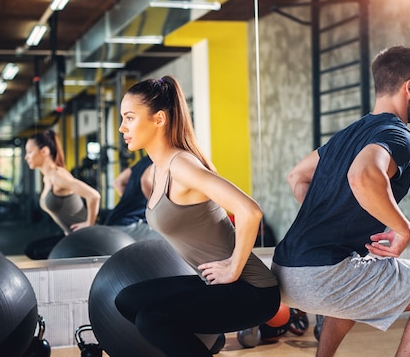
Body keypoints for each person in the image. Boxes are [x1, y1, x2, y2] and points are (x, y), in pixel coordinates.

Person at [271, 45, 410, 357]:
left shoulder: (347, 135)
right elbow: (363, 175)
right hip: (322, 275)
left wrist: (332, 215)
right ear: (409, 88)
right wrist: (403, 229)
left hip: (286, 269)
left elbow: (296, 176)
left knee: (361, 265)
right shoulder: (398, 135)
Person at [114, 75, 280, 357]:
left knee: (151, 319)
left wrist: (232, 268)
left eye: (129, 118)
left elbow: (250, 211)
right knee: (128, 300)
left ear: (159, 119)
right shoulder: (157, 168)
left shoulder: (183, 166)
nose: (122, 127)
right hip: (215, 285)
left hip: (252, 291)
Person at [23, 129, 101, 259]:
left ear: (44, 151)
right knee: (32, 249)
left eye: (30, 152)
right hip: (72, 235)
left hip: (88, 238)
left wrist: (89, 224)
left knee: (34, 250)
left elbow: (94, 195)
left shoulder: (57, 176)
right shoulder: (47, 177)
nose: (26, 157)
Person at [100, 154, 162, 241]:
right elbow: (146, 180)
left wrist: (131, 200)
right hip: (129, 225)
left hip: (115, 222)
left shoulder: (146, 160)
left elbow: (118, 182)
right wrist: (158, 207)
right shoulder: (161, 159)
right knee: (174, 238)